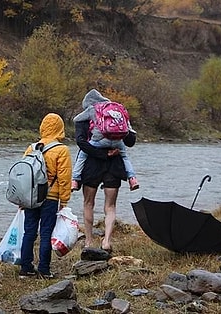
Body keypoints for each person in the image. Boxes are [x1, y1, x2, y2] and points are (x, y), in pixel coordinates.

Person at [74, 89, 137, 251]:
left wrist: (101, 154)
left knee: (88, 203)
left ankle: (88, 242)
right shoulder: (117, 115)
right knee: (111, 206)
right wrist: (112, 151)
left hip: (92, 164)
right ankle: (106, 241)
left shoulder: (87, 115)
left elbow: (81, 142)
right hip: (115, 164)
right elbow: (131, 141)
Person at [19, 113, 72, 279]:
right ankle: (44, 269)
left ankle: (25, 268)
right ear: (60, 129)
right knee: (46, 232)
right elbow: (64, 178)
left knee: (29, 232)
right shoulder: (62, 150)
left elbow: (23, 175)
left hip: (31, 197)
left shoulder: (31, 148)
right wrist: (64, 201)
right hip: (50, 197)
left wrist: (22, 198)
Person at [71, 89, 139, 192]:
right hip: (116, 156)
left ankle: (75, 180)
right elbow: (131, 140)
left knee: (82, 155)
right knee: (125, 157)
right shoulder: (117, 109)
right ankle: (132, 179)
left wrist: (104, 153)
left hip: (93, 160)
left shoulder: (91, 110)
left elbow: (81, 141)